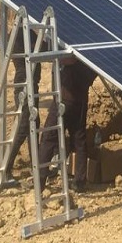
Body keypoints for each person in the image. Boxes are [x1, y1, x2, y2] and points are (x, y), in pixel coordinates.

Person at [38, 57, 97, 193]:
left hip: (64, 100)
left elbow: (68, 59)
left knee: (48, 138)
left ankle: (40, 181)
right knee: (79, 140)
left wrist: (57, 54)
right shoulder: (94, 51)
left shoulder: (75, 48)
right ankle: (80, 182)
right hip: (80, 100)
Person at [2, 29, 44, 185]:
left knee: (34, 123)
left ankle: (36, 165)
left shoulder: (19, 31)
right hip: (25, 84)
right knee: (23, 126)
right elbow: (43, 47)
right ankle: (6, 169)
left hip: (30, 83)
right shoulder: (23, 32)